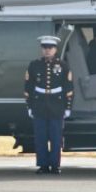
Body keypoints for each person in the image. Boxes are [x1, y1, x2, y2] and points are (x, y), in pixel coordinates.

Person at [25, 35, 74, 175]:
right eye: (45, 48)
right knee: (40, 137)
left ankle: (55, 165)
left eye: (50, 48)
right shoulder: (34, 65)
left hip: (56, 105)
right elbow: (28, 87)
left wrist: (68, 107)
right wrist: (29, 106)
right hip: (39, 104)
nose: (47, 50)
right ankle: (43, 165)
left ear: (55, 49)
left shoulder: (63, 66)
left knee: (56, 137)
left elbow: (68, 87)